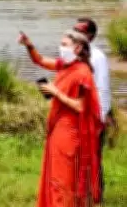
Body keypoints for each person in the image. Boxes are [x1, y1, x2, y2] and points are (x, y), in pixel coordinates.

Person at [18, 29, 103, 207]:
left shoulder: (82, 73)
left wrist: (56, 92)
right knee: (55, 173)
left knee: (64, 178)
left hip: (70, 131)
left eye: (64, 45)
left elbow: (80, 106)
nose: (61, 48)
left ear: (78, 48)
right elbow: (40, 60)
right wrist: (29, 45)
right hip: (58, 127)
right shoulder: (65, 65)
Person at [73, 17, 114, 200]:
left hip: (93, 115)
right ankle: (80, 194)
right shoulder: (72, 55)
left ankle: (97, 196)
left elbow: (102, 88)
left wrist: (102, 117)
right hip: (76, 113)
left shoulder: (98, 57)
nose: (75, 34)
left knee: (94, 156)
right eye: (74, 29)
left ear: (90, 36)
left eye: (80, 31)